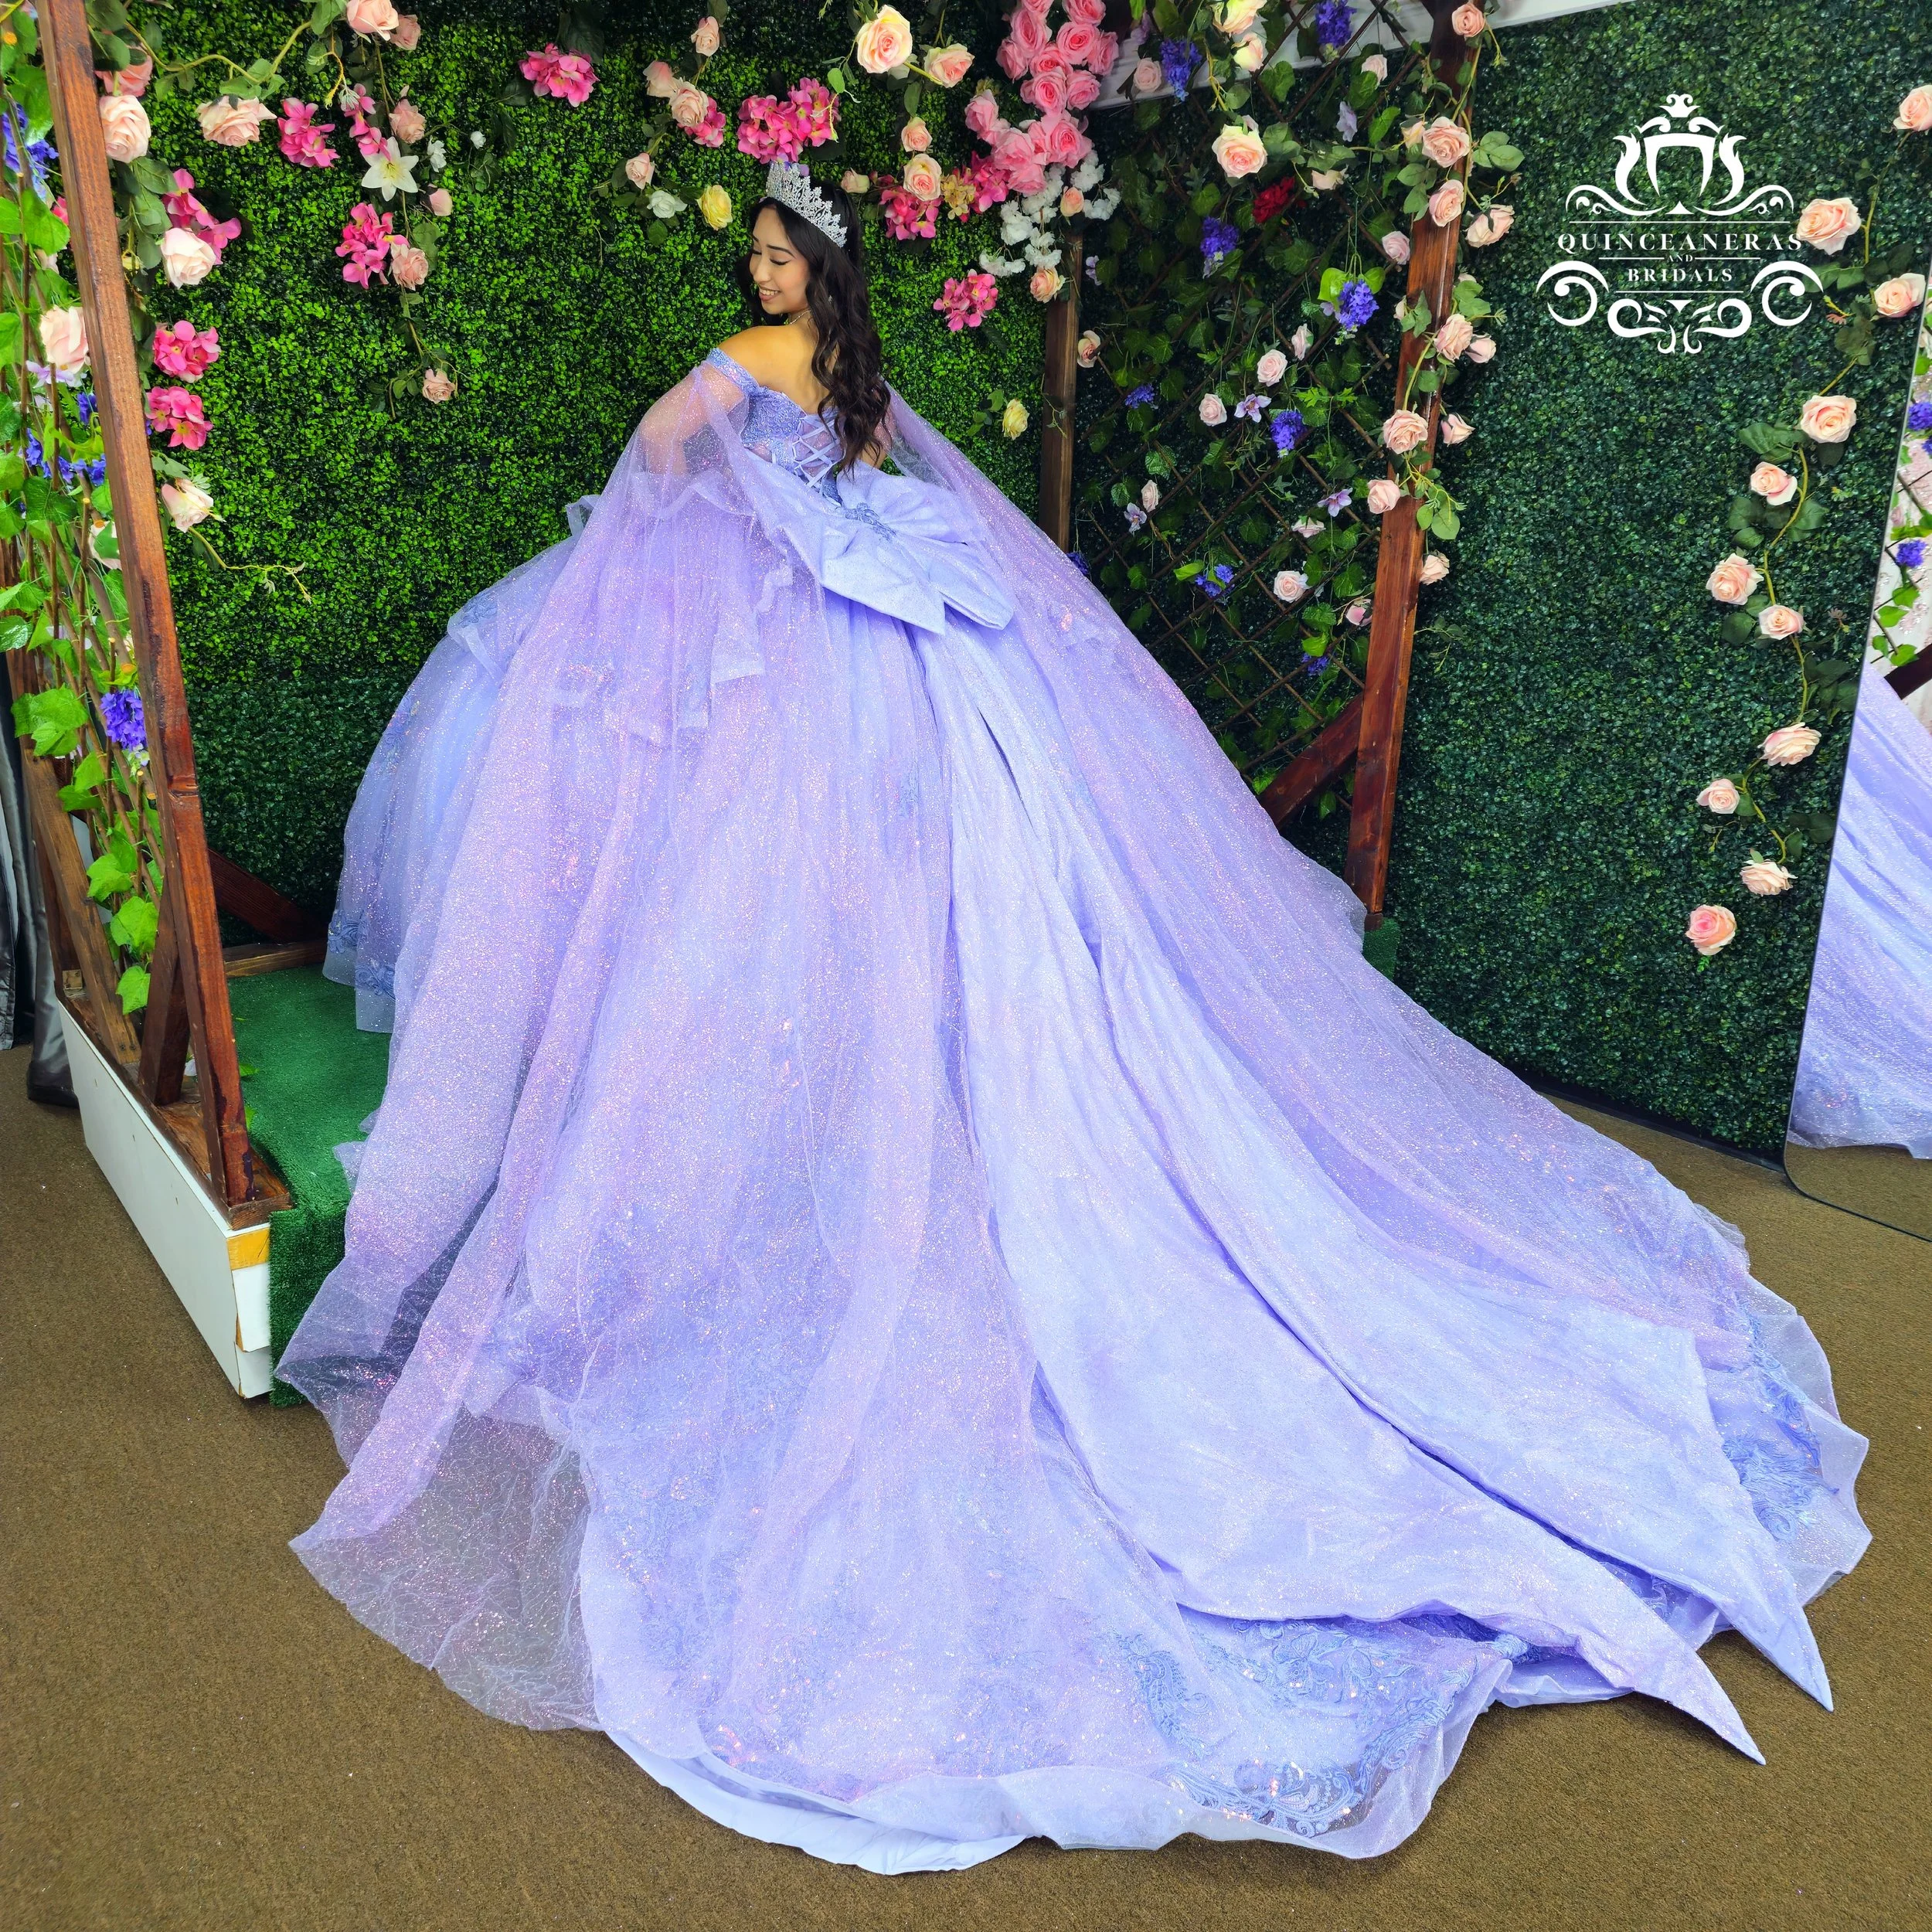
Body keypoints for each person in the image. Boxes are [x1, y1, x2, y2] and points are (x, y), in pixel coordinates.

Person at [281, 161, 1869, 1872]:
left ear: (805, 272)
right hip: (917, 665)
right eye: (754, 252)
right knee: (940, 935)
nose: (759, 271)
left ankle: (868, 1148)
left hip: (826, 670)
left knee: (763, 925)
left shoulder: (752, 359)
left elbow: (661, 457)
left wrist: (698, 496)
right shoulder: (869, 395)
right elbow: (876, 500)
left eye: (772, 251)